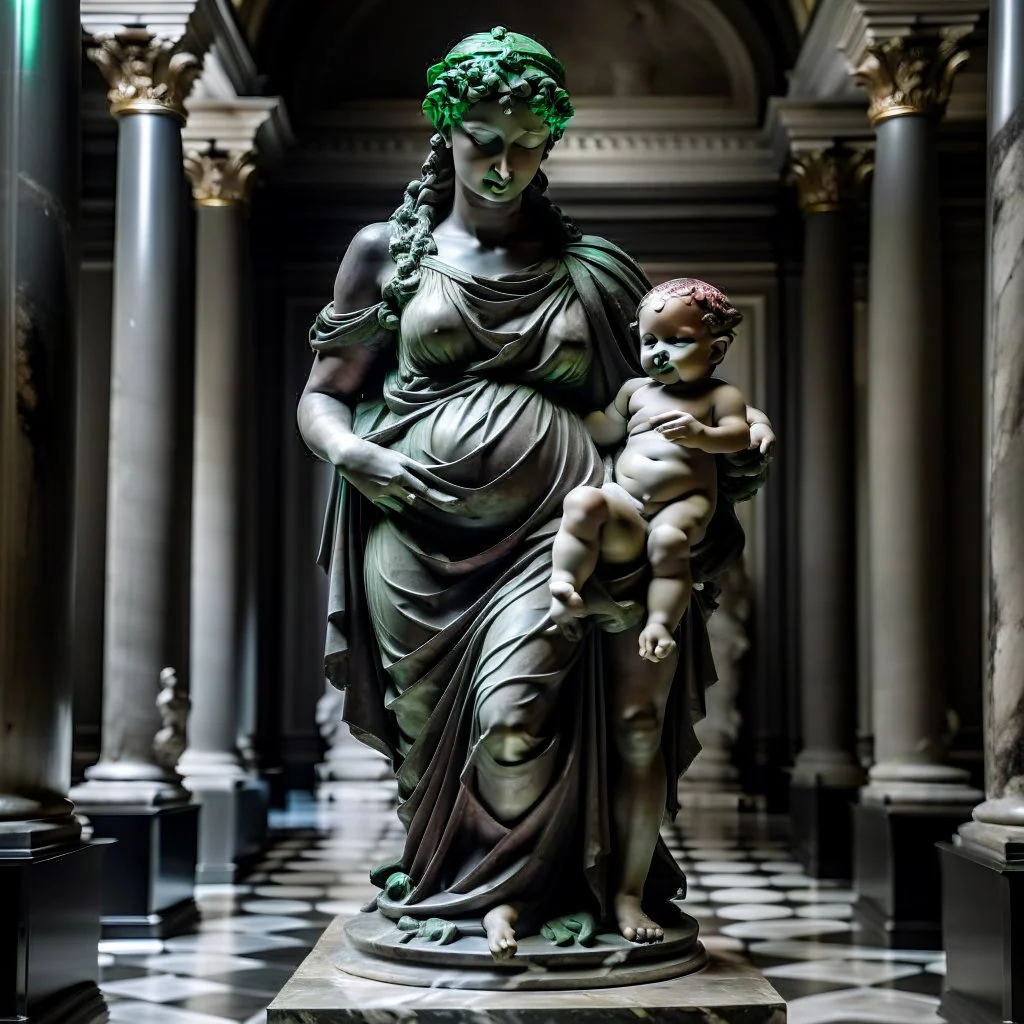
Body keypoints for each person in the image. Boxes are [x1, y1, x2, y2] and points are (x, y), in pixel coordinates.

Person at [296, 26, 772, 958]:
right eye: (484, 138)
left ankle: (553, 895)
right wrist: (363, 460)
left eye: (526, 141)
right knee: (432, 733)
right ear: (445, 129)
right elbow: (322, 398)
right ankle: (462, 897)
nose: (505, 163)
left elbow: (655, 410)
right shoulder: (384, 253)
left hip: (561, 532)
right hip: (416, 542)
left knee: (516, 722)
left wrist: (731, 448)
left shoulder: (594, 273)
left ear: (550, 141)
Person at [548, 278, 753, 664]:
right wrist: (565, 414)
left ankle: (660, 622)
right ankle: (565, 582)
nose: (660, 353)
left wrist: (702, 434)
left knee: (669, 543)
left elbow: (737, 436)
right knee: (582, 502)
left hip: (683, 502)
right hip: (626, 497)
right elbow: (606, 427)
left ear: (716, 349)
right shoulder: (635, 391)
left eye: (678, 342)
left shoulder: (719, 396)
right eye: (650, 341)